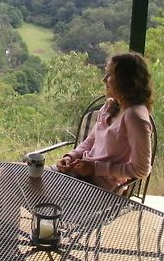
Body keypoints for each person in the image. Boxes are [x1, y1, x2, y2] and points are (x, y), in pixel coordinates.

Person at [55, 51, 153, 191]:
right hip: (80, 176)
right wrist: (70, 157)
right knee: (23, 179)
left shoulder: (135, 117)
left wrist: (95, 168)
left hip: (101, 189)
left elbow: (142, 169)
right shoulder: (111, 105)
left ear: (125, 80)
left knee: (30, 187)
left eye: (110, 74)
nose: (104, 79)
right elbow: (90, 141)